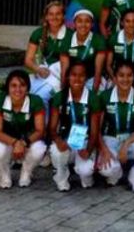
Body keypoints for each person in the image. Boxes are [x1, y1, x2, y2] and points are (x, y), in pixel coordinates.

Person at [96, 60, 134, 192]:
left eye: (129, 75)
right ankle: (117, 173)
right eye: (121, 75)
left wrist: (126, 143)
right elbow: (96, 129)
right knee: (106, 169)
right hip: (111, 139)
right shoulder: (104, 96)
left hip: (131, 139)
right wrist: (104, 150)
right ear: (115, 77)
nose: (125, 79)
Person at [23, 0, 69, 168]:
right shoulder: (38, 33)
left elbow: (67, 63)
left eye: (58, 14)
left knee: (40, 99)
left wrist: (65, 85)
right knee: (25, 96)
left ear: (63, 16)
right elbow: (28, 59)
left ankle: (44, 141)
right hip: (41, 74)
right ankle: (27, 140)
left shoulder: (69, 34)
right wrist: (37, 68)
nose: (54, 17)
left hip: (58, 77)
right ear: (46, 16)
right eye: (51, 14)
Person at [48, 62, 102, 191]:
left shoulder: (93, 98)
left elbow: (95, 131)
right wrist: (58, 140)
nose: (77, 79)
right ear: (67, 77)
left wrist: (88, 150)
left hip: (84, 141)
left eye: (81, 75)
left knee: (86, 171)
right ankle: (61, 178)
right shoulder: (59, 97)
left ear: (86, 78)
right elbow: (52, 128)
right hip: (66, 141)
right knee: (56, 151)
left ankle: (87, 177)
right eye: (73, 75)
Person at [0, 70, 47, 188]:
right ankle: (4, 173)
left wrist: (23, 143)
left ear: (27, 87)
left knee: (39, 149)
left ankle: (26, 172)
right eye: (14, 85)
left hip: (28, 141)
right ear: (8, 87)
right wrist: (15, 143)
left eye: (22, 85)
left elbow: (40, 130)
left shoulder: (36, 101)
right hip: (7, 141)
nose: (18, 89)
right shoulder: (0, 100)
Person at [59, 9, 108, 93]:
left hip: (91, 77)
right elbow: (64, 69)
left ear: (92, 24)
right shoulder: (66, 40)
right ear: (74, 24)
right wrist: (64, 90)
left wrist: (93, 92)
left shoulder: (99, 41)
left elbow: (98, 70)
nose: (83, 25)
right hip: (73, 77)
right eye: (79, 21)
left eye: (87, 21)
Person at [106, 9, 134, 93]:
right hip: (118, 74)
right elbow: (108, 65)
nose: (131, 25)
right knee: (110, 95)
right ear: (122, 23)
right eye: (127, 21)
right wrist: (114, 78)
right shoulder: (114, 39)